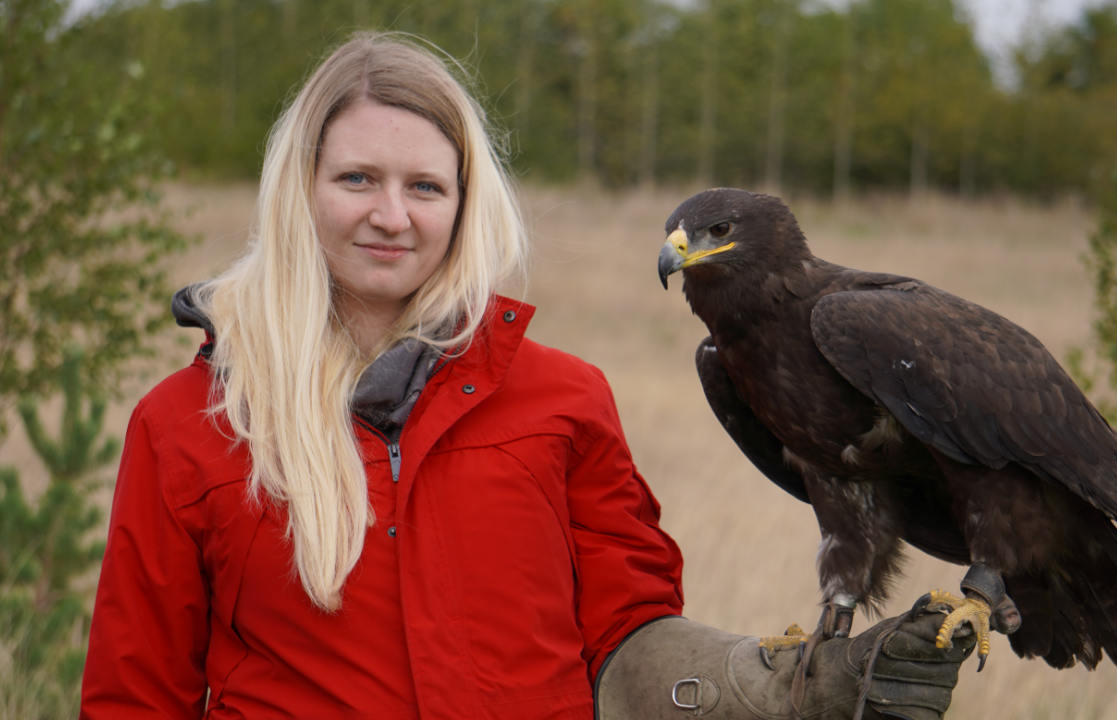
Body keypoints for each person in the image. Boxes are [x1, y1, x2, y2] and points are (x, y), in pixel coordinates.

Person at [79, 31, 975, 720]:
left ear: (466, 205)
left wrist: (776, 689)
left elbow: (629, 640)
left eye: (426, 187)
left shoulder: (563, 400)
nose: (392, 216)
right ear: (299, 192)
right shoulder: (189, 423)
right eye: (357, 178)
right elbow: (133, 693)